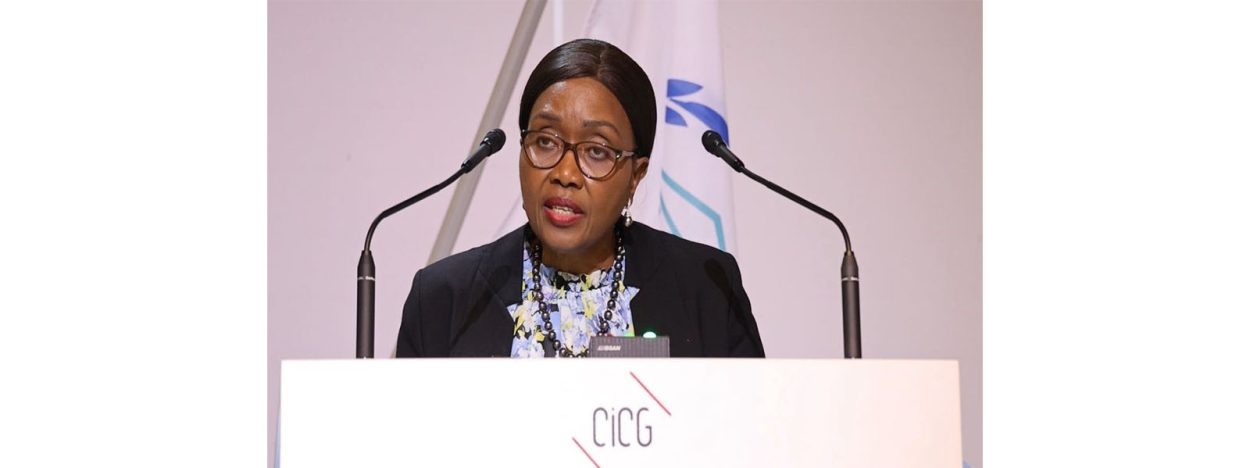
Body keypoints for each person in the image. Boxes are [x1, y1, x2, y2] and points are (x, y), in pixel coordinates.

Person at [396, 38, 764, 358]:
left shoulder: (707, 288)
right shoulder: (444, 298)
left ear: (636, 175)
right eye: (545, 141)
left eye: (597, 151)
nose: (566, 174)